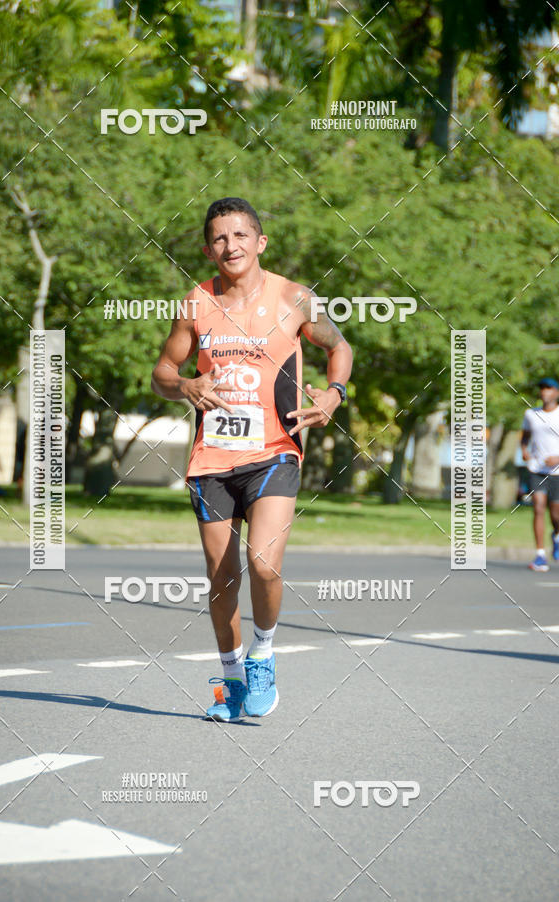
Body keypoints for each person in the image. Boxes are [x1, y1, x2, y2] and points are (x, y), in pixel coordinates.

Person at [151, 197, 353, 721]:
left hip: (274, 451)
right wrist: (185, 384)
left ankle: (263, 655)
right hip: (212, 458)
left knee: (263, 564)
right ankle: (232, 680)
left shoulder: (293, 298)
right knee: (222, 579)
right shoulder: (195, 303)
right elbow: (162, 373)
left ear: (260, 242)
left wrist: (333, 394)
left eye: (240, 235)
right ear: (207, 250)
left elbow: (340, 348)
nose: (230, 245)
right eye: (219, 238)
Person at [520, 377, 559, 572]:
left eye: (549, 388)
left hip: (557, 472)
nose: (544, 392)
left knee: (556, 513)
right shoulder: (531, 414)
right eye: (542, 388)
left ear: (556, 392)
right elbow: (525, 437)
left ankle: (557, 535)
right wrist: (524, 450)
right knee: (538, 507)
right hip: (536, 469)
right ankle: (540, 555)